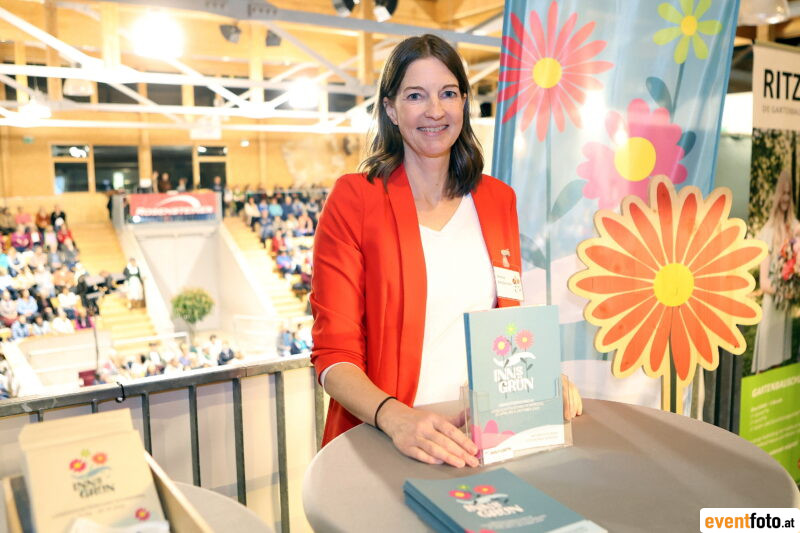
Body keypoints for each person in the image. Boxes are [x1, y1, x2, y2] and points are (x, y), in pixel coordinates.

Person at [310, 35, 581, 468]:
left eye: (448, 93)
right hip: (388, 440)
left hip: (482, 439)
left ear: (464, 103)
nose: (435, 110)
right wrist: (396, 419)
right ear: (391, 109)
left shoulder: (497, 200)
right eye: (415, 95)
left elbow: (503, 321)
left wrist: (539, 380)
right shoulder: (355, 200)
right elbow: (334, 355)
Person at [753, 169, 798, 373]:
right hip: (772, 305)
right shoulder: (768, 231)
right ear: (778, 195)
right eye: (783, 193)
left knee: (779, 367)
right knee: (765, 366)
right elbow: (764, 283)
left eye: (789, 193)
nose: (786, 198)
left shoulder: (795, 228)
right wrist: (784, 292)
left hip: (785, 308)